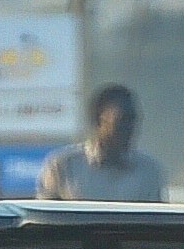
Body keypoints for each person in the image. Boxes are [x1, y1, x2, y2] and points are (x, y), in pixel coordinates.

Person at [34, 84, 167, 202]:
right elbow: (44, 222)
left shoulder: (148, 171)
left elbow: (154, 225)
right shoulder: (63, 165)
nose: (130, 128)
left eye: (133, 120)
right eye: (122, 121)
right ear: (99, 120)